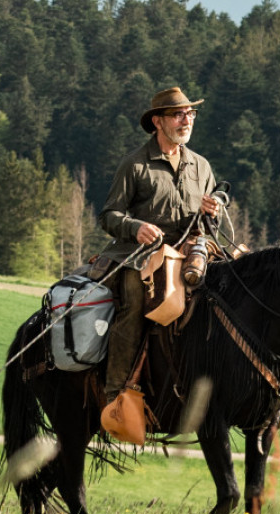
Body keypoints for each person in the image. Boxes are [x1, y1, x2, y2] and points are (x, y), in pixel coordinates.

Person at [95, 87, 225, 420]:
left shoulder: (202, 166)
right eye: (179, 114)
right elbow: (109, 216)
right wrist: (135, 226)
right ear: (158, 121)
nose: (187, 120)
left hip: (189, 251)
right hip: (141, 255)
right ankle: (117, 394)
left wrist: (214, 210)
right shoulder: (135, 164)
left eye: (191, 114)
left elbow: (211, 218)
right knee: (136, 298)